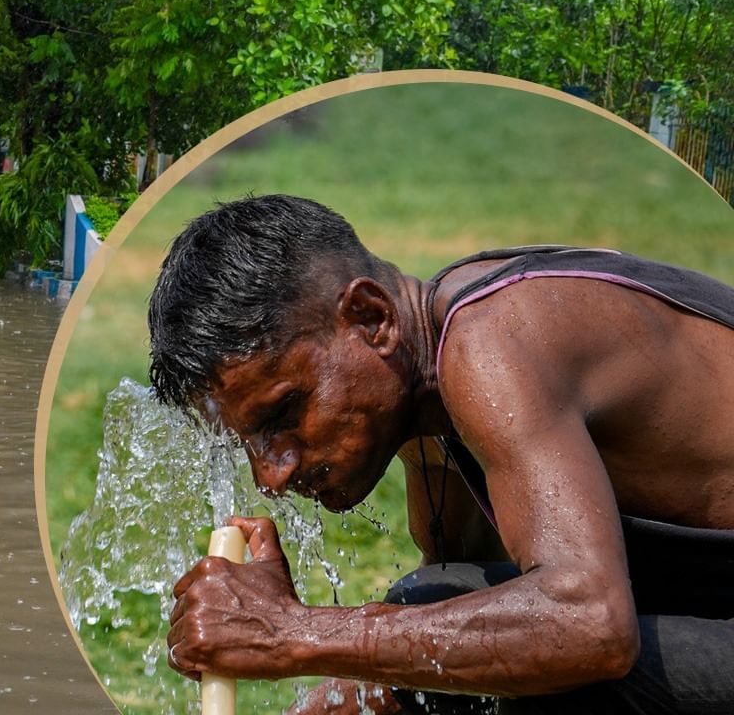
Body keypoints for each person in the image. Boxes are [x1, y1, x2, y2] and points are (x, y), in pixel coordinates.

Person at [147, 194, 734, 714]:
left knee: (546, 678)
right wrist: (366, 680)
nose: (271, 475)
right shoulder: (426, 406)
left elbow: (587, 626)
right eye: (250, 443)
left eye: (283, 415)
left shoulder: (491, 341)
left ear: (371, 319)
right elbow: (456, 629)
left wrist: (293, 633)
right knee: (430, 608)